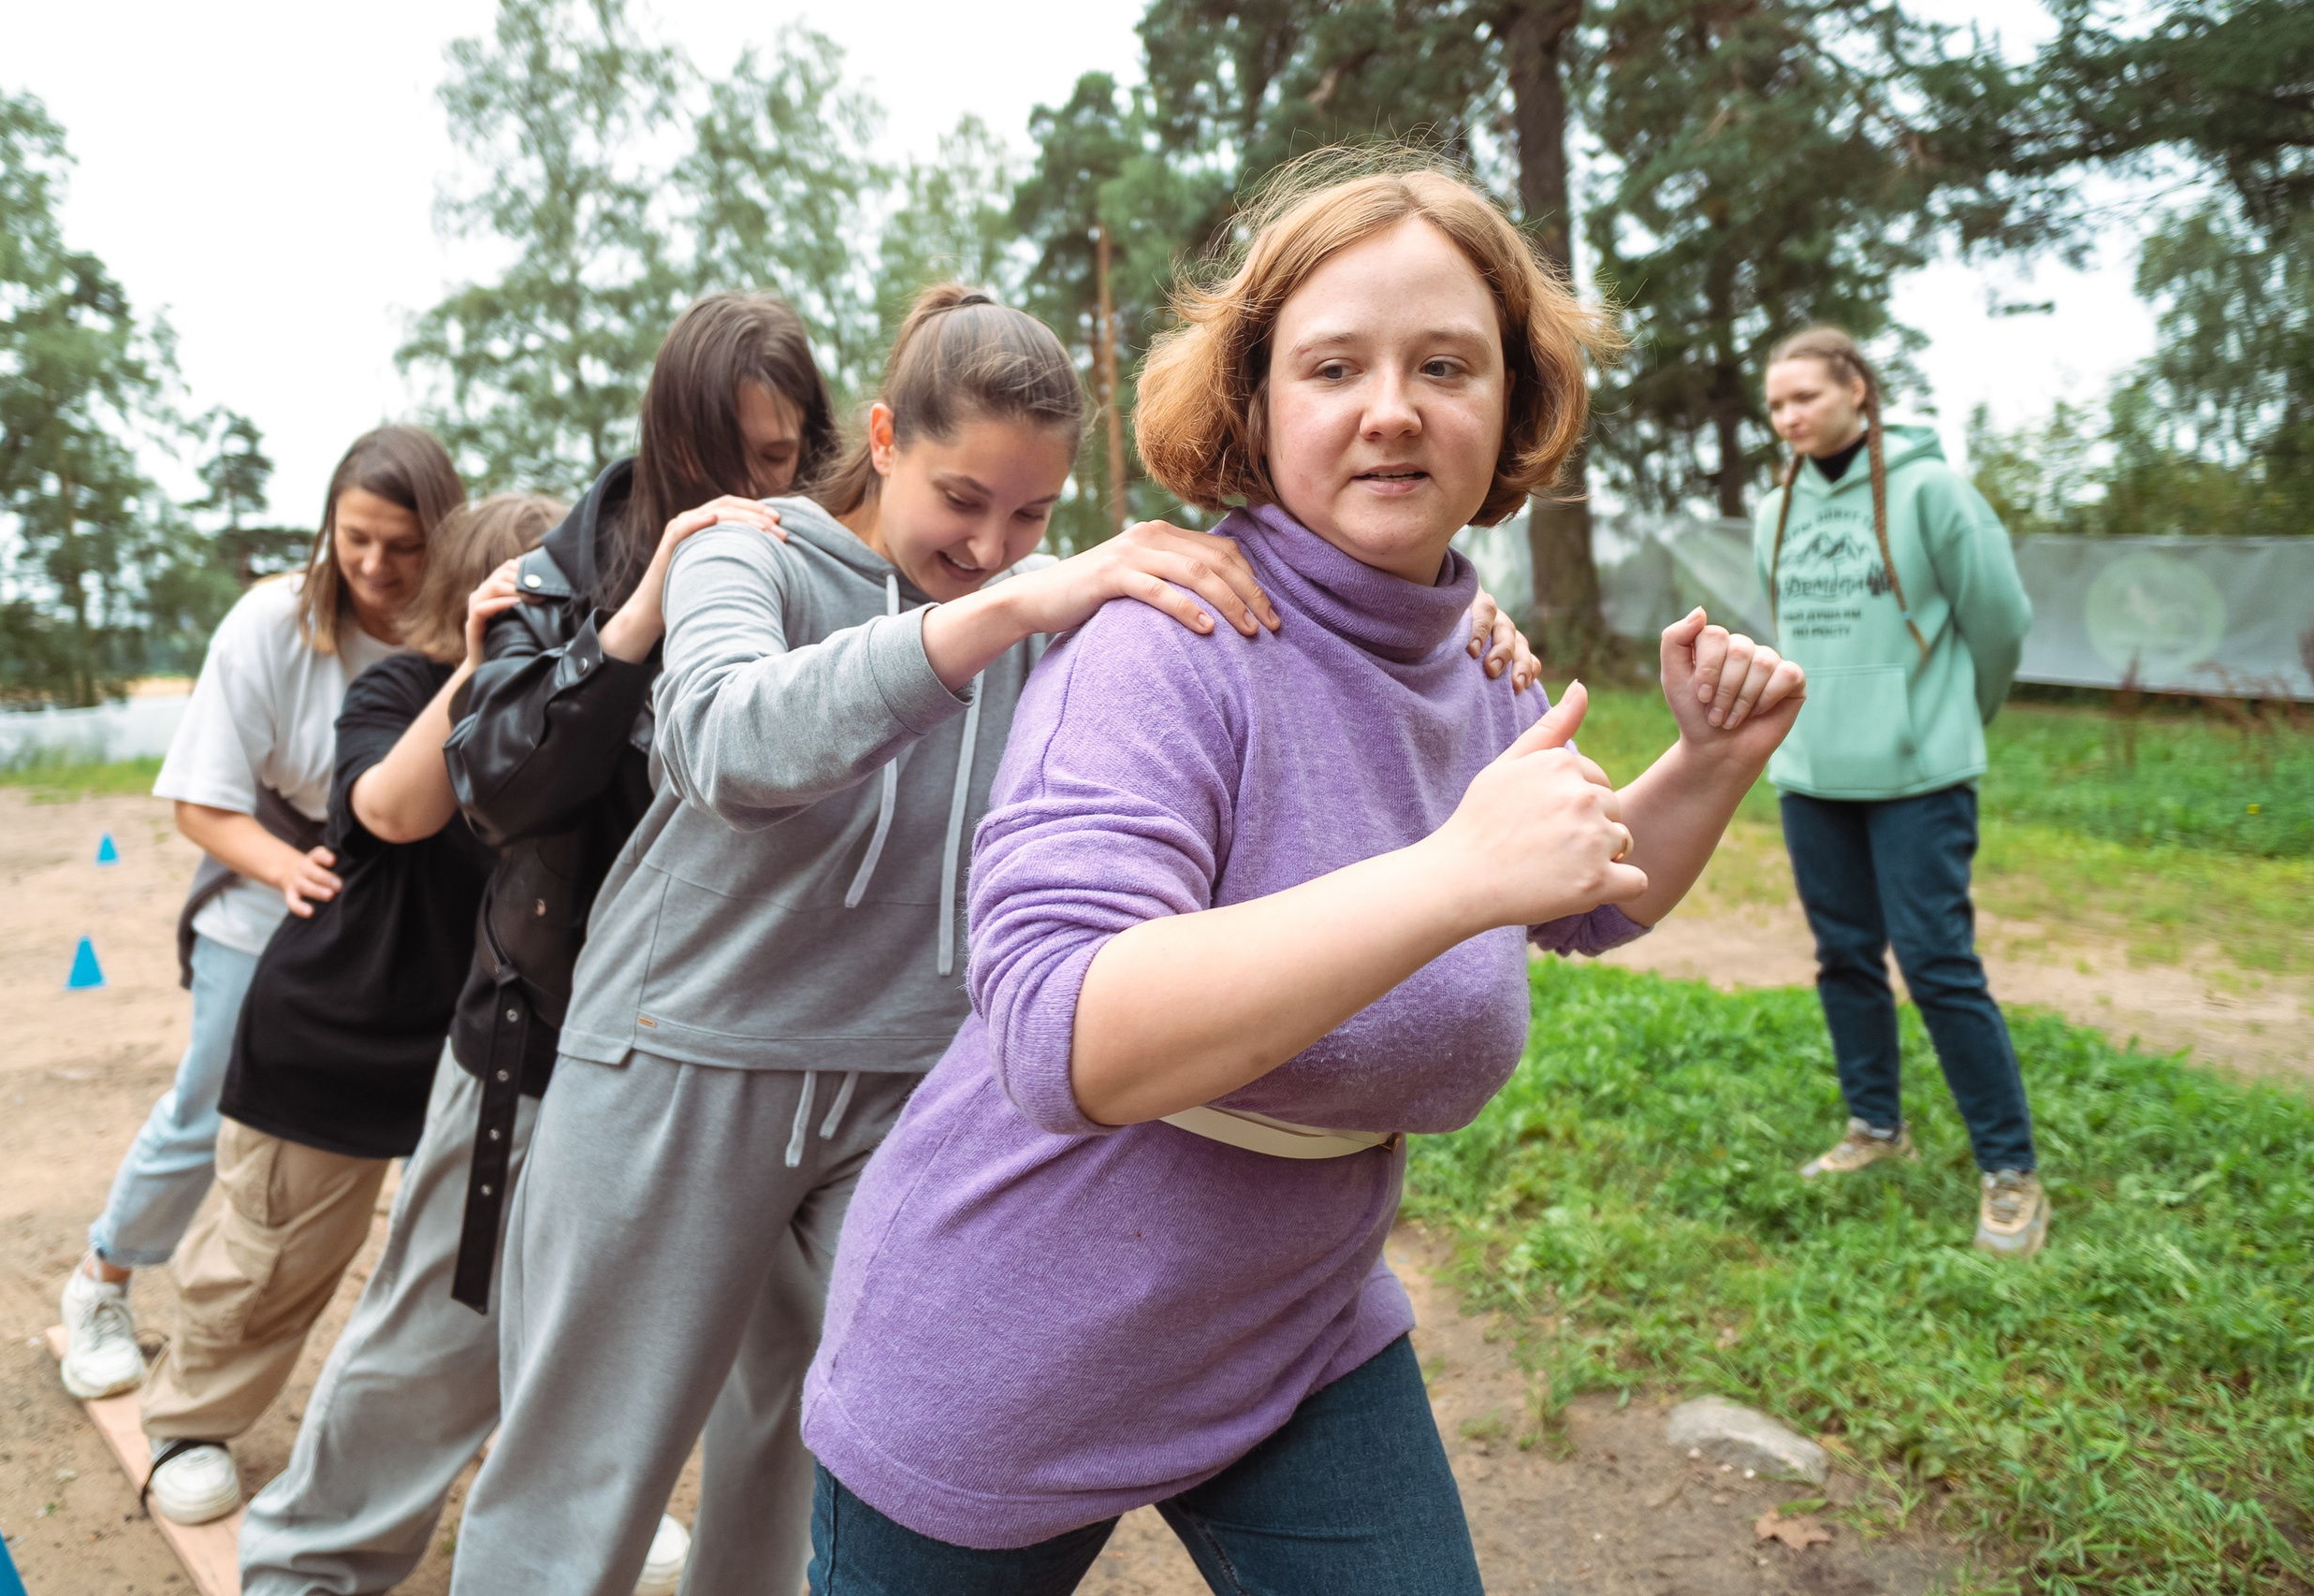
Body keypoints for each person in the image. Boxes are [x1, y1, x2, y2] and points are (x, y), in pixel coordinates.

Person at [795, 155, 1807, 1594]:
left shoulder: (1475, 655)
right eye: (1335, 365)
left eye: (1445, 363)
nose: (1392, 406)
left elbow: (1584, 893)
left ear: (1510, 402)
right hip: (1003, 1341)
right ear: (1257, 407)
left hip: (1292, 1326)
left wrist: (1708, 759)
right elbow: (1061, 1025)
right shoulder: (1171, 642)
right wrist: (1451, 873)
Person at [444, 282, 1536, 1596]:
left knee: (817, 1458)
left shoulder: (1059, 604)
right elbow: (731, 738)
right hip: (684, 1059)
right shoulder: (756, 551)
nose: (991, 543)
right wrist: (1011, 607)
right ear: (887, 435)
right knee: (587, 1460)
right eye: (964, 500)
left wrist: (1461, 630)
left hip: (896, 1087)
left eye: (1030, 514)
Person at [235, 290, 832, 1596]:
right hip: (540, 1048)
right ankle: (304, 1567)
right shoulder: (567, 572)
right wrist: (640, 614)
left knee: (787, 1370)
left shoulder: (829, 566)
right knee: (443, 1345)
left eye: (778, 460)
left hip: (741, 1057)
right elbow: (495, 787)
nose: (746, 490)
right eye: (720, 462)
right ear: (665, 443)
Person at [136, 493, 559, 1525]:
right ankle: (187, 1420)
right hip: (333, 1033)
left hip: (474, 1053)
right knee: (270, 1255)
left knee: (488, 1275)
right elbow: (385, 805)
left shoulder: (574, 717)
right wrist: (476, 665)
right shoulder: (397, 690)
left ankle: (505, 1457)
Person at [58, 428, 463, 1408]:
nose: (375, 565)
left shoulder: (459, 624)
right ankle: (103, 1281)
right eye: (355, 537)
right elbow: (200, 801)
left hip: (406, 916)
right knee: (209, 1106)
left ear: (443, 540)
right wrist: (290, 868)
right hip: (272, 888)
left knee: (434, 1144)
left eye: (403, 545)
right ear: (330, 527)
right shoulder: (268, 623)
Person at [1757, 326, 2045, 1256]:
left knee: (1935, 960)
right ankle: (1874, 1127)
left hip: (1919, 771)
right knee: (1843, 955)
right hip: (1813, 773)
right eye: (1773, 404)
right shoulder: (1774, 511)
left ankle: (2010, 1170)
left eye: (1803, 396)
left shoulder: (1934, 494)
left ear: (1857, 391)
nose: (1787, 416)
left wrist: (1958, 715)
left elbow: (1999, 621)